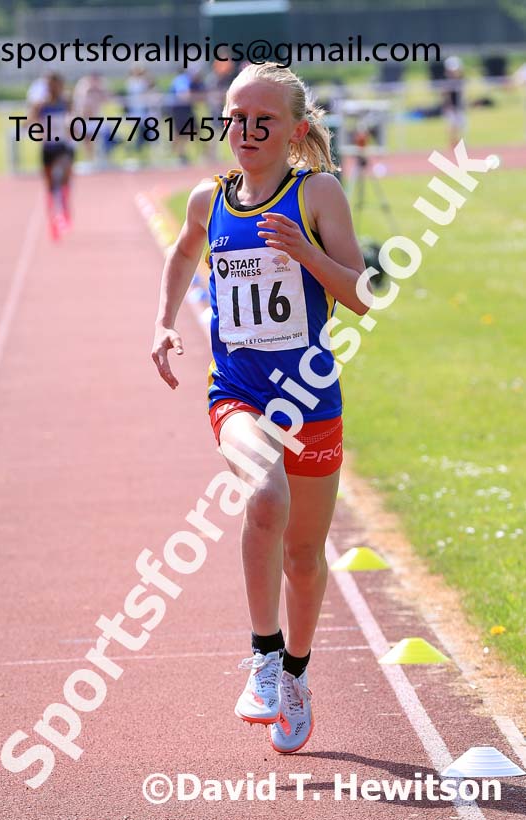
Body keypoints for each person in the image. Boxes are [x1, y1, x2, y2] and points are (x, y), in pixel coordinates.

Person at [151, 62, 367, 754]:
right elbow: (184, 254)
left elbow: (361, 295)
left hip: (310, 398)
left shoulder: (318, 193)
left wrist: (305, 252)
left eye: (262, 120)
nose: (244, 131)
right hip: (238, 393)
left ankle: (296, 674)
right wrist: (162, 322)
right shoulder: (206, 200)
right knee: (264, 499)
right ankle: (263, 656)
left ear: (295, 130)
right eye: (235, 118)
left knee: (304, 557)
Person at [29, 72, 75, 241]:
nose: (52, 88)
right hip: (47, 147)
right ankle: (53, 221)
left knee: (63, 178)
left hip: (62, 146)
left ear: (60, 85)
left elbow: (72, 120)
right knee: (49, 187)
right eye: (49, 85)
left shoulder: (65, 103)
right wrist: (34, 118)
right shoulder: (41, 105)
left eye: (54, 84)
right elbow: (29, 122)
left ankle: (64, 211)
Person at [442, 56, 466, 148]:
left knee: (461, 125)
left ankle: (459, 143)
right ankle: (453, 144)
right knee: (452, 125)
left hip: (459, 106)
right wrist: (449, 106)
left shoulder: (461, 80)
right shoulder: (446, 81)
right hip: (451, 107)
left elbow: (462, 94)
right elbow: (446, 95)